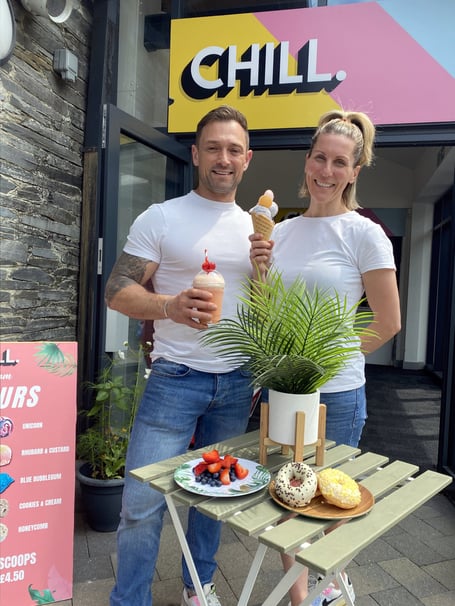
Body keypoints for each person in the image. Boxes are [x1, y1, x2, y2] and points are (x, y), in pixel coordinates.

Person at [250, 109, 401, 606]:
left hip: (335, 395)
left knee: (329, 503)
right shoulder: (282, 231)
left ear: (354, 171)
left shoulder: (364, 233)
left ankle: (328, 588)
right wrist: (259, 270)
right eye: (320, 157)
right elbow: (268, 312)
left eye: (340, 162)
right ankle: (301, 598)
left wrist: (325, 363)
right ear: (307, 160)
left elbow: (387, 322)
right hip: (283, 391)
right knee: (287, 502)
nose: (326, 171)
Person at [105, 105, 255, 606]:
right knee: (141, 503)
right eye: (213, 148)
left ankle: (198, 587)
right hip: (175, 379)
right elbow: (117, 291)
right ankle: (130, 600)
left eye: (233, 149)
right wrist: (169, 305)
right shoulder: (162, 217)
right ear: (195, 154)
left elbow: (268, 306)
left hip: (236, 382)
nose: (223, 158)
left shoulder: (258, 231)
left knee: (215, 499)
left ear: (247, 159)